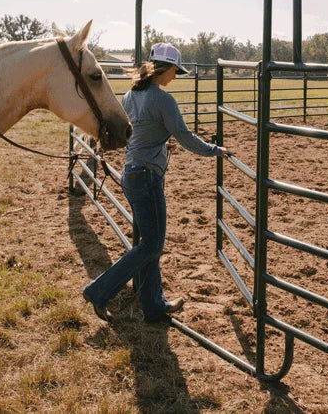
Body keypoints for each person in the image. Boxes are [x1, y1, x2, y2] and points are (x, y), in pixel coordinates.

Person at [83, 42, 231, 323]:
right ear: (163, 69)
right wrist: (215, 150)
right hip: (147, 178)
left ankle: (153, 305)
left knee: (149, 243)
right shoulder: (163, 101)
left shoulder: (129, 96)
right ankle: (99, 291)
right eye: (175, 71)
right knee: (151, 245)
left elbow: (139, 135)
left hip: (132, 174)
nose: (175, 77)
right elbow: (186, 138)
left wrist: (160, 148)